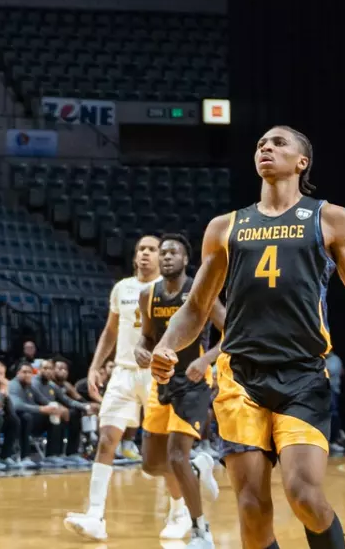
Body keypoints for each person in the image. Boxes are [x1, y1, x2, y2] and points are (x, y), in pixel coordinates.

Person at [153, 126, 345, 549]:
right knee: (252, 512)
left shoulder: (329, 218)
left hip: (303, 374)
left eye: (278, 143)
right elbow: (197, 306)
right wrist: (167, 345)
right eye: (261, 143)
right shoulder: (225, 227)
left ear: (302, 162)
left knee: (304, 495)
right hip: (241, 378)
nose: (266, 147)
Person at [65, 234, 162, 540]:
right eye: (141, 249)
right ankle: (95, 515)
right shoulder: (122, 288)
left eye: (152, 249)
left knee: (163, 449)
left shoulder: (168, 288)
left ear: (161, 256)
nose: (145, 253)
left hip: (157, 372)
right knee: (107, 439)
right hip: (123, 372)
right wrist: (95, 366)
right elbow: (110, 330)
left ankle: (181, 511)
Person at [137, 233, 224, 549]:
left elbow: (232, 333)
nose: (166, 256)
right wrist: (140, 349)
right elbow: (147, 336)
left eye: (173, 252)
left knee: (176, 456)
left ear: (186, 259)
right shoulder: (148, 295)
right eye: (163, 252)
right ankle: (197, 468)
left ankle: (201, 531)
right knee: (151, 464)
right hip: (161, 381)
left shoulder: (199, 292)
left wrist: (205, 359)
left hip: (193, 382)